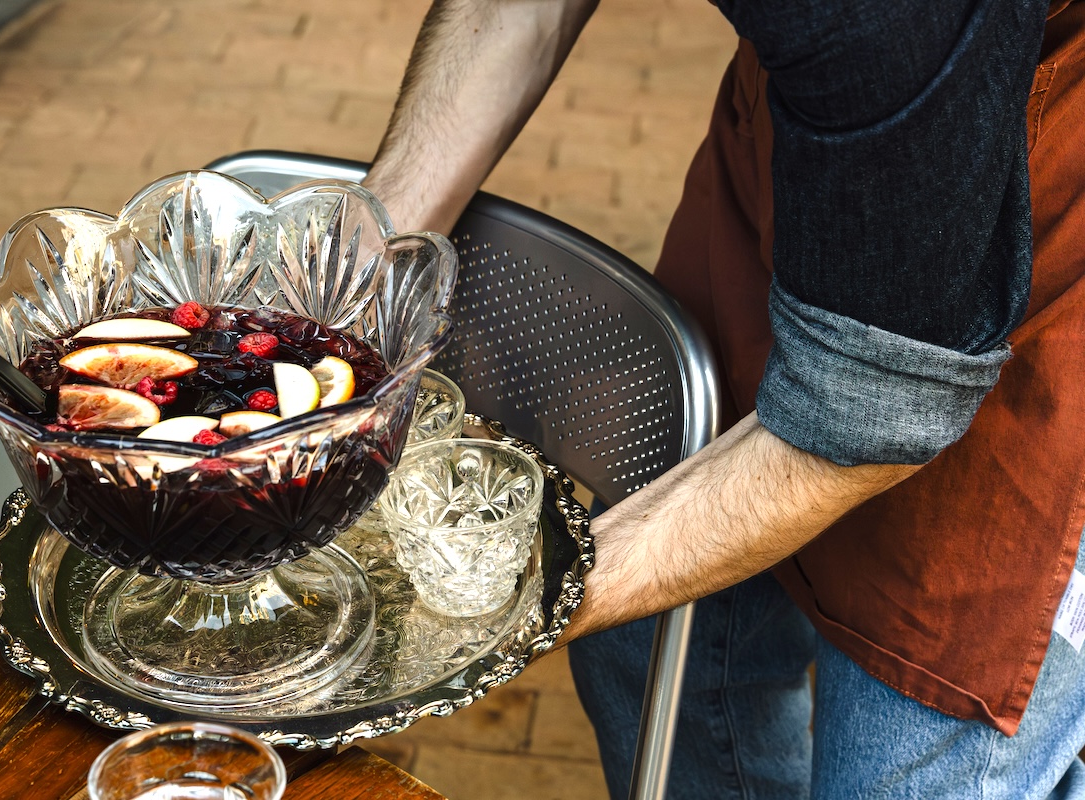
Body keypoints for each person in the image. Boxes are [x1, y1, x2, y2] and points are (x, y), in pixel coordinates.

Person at [362, 0, 1085, 796]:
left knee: (904, 767)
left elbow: (866, 417)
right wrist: (360, 285)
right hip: (821, 120)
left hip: (1054, 222)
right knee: (647, 653)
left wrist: (516, 599)